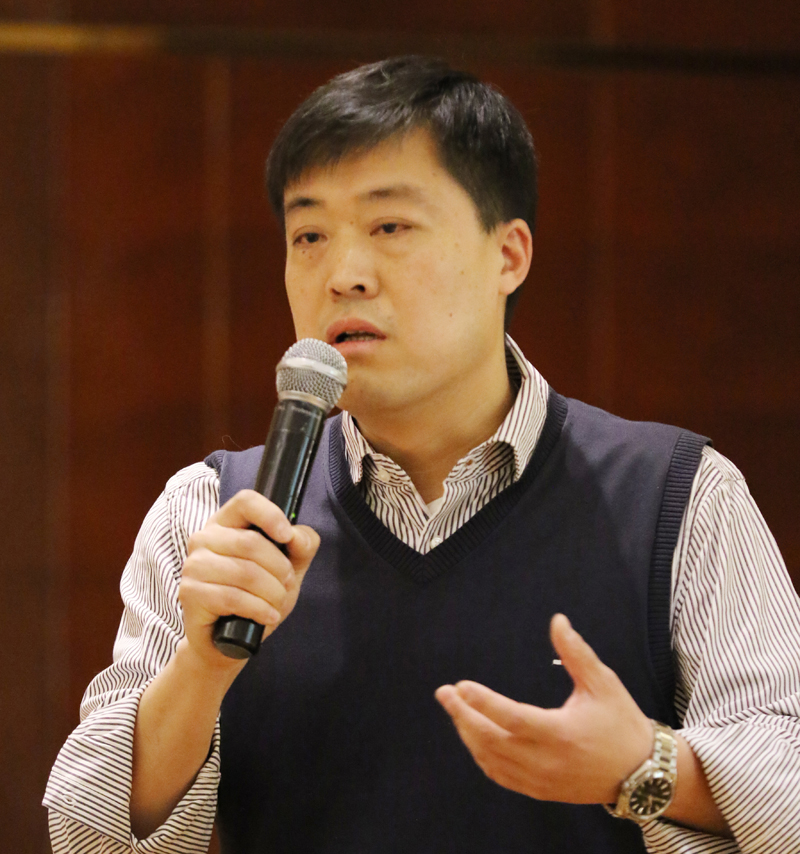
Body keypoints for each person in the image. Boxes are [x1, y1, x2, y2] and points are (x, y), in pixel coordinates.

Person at [45, 56, 800, 854]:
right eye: (309, 236)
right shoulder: (210, 513)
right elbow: (88, 837)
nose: (343, 276)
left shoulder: (679, 499)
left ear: (508, 255)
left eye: (390, 228)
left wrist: (645, 766)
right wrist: (200, 669)